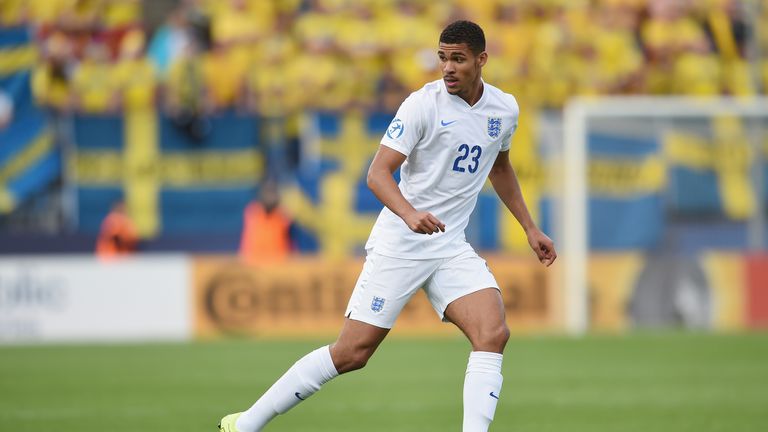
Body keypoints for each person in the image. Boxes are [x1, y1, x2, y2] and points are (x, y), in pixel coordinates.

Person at [218, 20, 556, 432]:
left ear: (482, 60)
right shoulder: (422, 105)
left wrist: (529, 228)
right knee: (352, 353)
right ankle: (246, 423)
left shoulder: (504, 109)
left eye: (459, 59)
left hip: (449, 245)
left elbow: (500, 168)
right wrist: (409, 214)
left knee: (493, 332)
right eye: (443, 58)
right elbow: (377, 173)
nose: (448, 68)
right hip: (402, 242)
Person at [239, 181, 293, 264]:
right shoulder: (253, 211)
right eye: (267, 193)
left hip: (279, 262)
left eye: (272, 194)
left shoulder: (282, 214)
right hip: (253, 262)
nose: (270, 197)